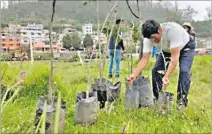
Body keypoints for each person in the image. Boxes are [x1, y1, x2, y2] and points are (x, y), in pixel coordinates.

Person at [127, 20, 196, 109]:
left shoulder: (172, 31)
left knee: (184, 71)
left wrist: (166, 76)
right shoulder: (148, 39)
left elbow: (174, 60)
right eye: (150, 38)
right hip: (167, 49)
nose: (153, 40)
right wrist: (134, 75)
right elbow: (144, 59)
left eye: (153, 37)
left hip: (186, 46)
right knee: (155, 70)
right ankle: (159, 99)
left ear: (159, 30)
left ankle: (181, 102)